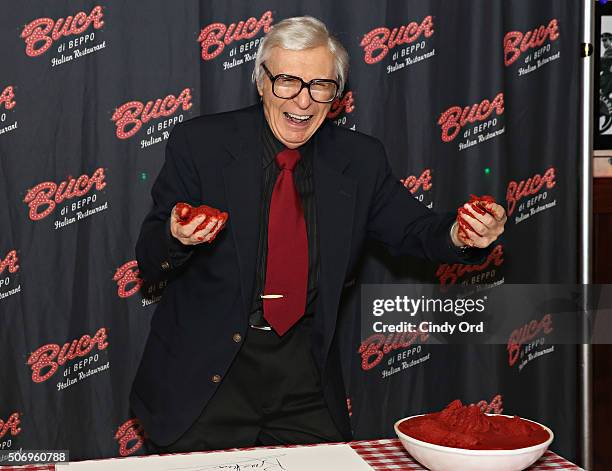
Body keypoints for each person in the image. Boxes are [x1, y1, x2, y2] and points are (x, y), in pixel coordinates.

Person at [130, 16, 506, 453]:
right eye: (287, 81)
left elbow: (416, 230)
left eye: (321, 85)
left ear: (337, 95)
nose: (303, 101)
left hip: (303, 385)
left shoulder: (359, 160)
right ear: (261, 82)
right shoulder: (201, 143)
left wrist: (463, 235)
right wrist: (178, 236)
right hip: (206, 381)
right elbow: (149, 254)